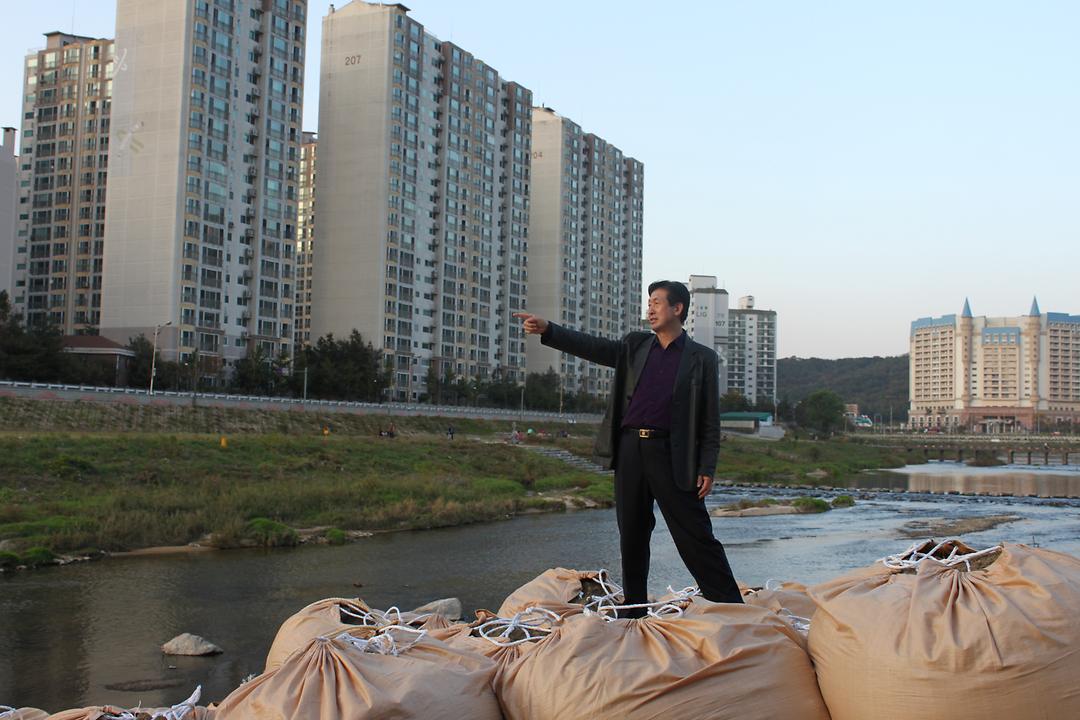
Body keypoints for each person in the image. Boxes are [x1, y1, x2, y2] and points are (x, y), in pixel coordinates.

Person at [514, 280, 743, 615]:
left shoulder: (701, 358)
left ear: (677, 309)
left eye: (656, 303)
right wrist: (550, 330)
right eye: (648, 303)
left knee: (695, 534)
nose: (649, 309)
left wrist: (707, 466)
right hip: (631, 449)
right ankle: (634, 607)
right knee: (632, 533)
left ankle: (730, 605)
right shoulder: (635, 346)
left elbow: (710, 419)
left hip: (672, 455)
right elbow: (593, 347)